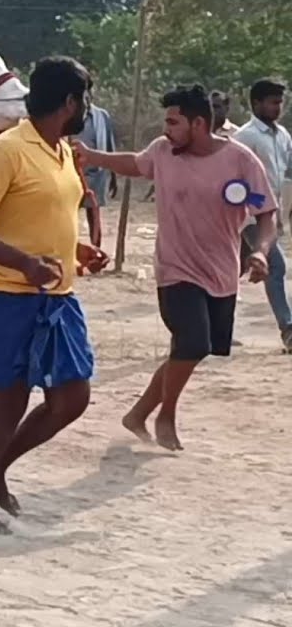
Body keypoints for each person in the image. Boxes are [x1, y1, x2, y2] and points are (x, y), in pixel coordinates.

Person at [0, 56, 108, 535]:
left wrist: (76, 248)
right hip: (3, 295)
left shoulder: (61, 150)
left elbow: (40, 213)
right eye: (85, 98)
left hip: (58, 295)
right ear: (69, 102)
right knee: (10, 403)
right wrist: (24, 263)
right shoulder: (6, 151)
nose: (87, 107)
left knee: (72, 397)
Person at [77, 85, 276, 451]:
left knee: (191, 349)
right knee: (192, 341)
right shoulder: (163, 151)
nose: (166, 129)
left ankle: (137, 413)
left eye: (173, 122)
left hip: (222, 273)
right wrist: (92, 156)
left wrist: (261, 252)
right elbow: (134, 163)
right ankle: (166, 414)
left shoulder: (241, 160)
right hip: (175, 269)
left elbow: (265, 211)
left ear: (198, 123)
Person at [231, 79, 292, 351]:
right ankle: (288, 330)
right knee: (276, 267)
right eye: (273, 102)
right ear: (256, 104)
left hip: (273, 215)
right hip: (251, 217)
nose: (278, 107)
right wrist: (259, 203)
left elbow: (280, 179)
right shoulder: (244, 137)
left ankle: (215, 328)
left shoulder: (283, 137)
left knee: (232, 269)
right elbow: (232, 184)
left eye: (281, 102)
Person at [76, 102, 118, 208]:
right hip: (74, 172)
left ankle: (95, 225)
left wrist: (114, 175)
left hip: (96, 173)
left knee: (94, 208)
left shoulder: (101, 115)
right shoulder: (69, 114)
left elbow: (110, 145)